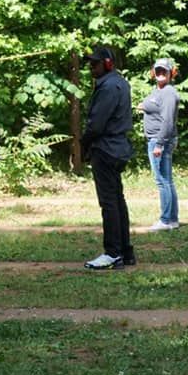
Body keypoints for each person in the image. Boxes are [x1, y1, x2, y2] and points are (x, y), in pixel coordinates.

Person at [81, 47, 134, 270]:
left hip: (106, 148)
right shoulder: (119, 82)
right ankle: (125, 251)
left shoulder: (108, 86)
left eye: (95, 64)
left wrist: (83, 144)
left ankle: (113, 252)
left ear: (108, 64)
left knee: (109, 203)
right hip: (116, 146)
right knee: (117, 201)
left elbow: (96, 124)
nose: (91, 68)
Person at [138, 58, 180, 231]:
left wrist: (159, 144)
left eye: (164, 71)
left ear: (171, 73)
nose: (161, 73)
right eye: (158, 70)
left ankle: (165, 220)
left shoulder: (169, 92)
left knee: (162, 181)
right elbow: (153, 106)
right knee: (167, 180)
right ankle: (172, 220)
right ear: (153, 72)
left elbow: (168, 121)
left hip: (159, 140)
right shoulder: (158, 91)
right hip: (156, 139)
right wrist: (143, 106)